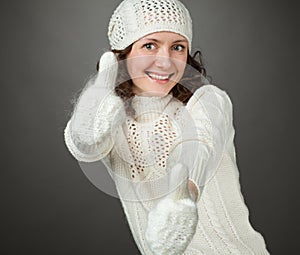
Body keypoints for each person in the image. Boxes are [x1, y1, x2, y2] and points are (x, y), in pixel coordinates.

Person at [64, 0, 270, 254]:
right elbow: (85, 148)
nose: (166, 62)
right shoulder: (109, 116)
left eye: (178, 47)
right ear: (124, 53)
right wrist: (87, 124)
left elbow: (201, 145)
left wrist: (185, 197)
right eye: (149, 45)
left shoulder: (208, 100)